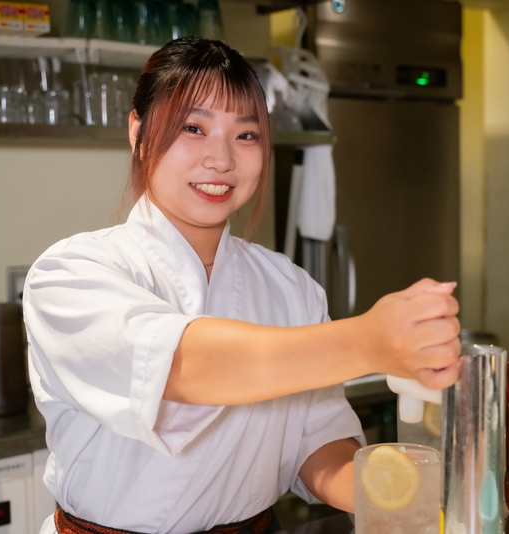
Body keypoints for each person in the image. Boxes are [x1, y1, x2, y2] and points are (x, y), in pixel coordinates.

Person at [24, 36, 461, 534]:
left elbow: (315, 443)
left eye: (246, 135)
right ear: (138, 132)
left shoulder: (290, 288)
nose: (222, 159)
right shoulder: (72, 273)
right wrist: (370, 342)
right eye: (193, 128)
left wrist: (395, 495)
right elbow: (185, 368)